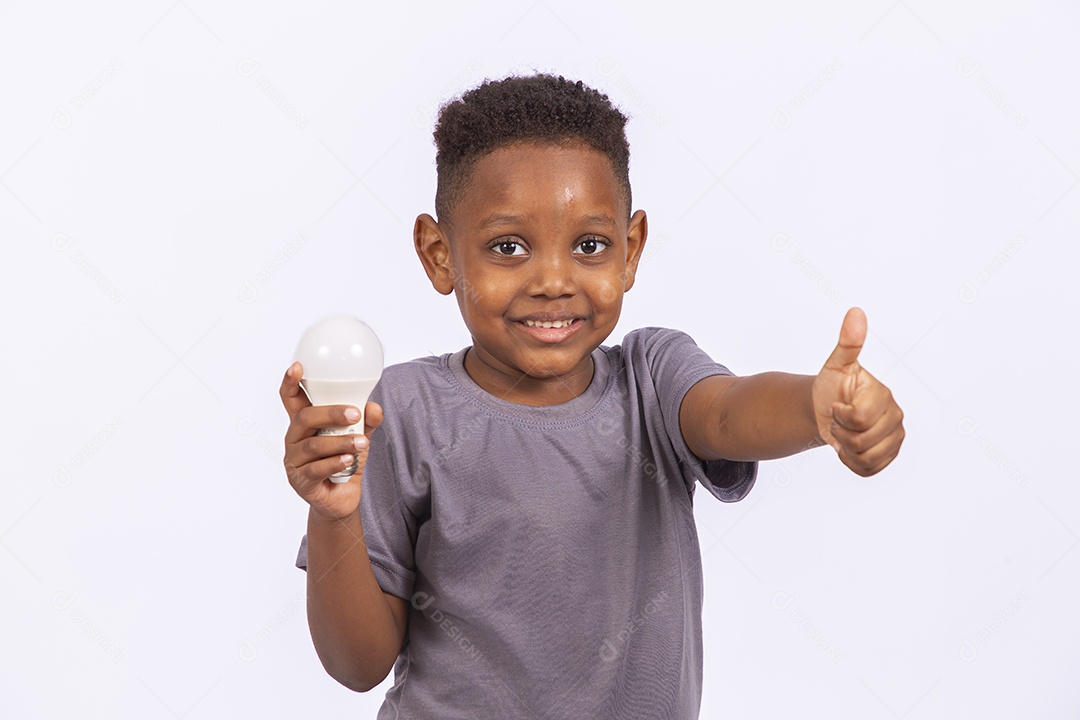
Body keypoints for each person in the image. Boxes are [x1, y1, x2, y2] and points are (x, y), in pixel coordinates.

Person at [279, 73, 904, 718]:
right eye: (508, 247)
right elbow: (358, 665)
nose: (554, 281)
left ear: (631, 250)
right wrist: (333, 514)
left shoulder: (652, 379)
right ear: (440, 256)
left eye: (589, 245)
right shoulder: (399, 412)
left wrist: (815, 406)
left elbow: (728, 413)